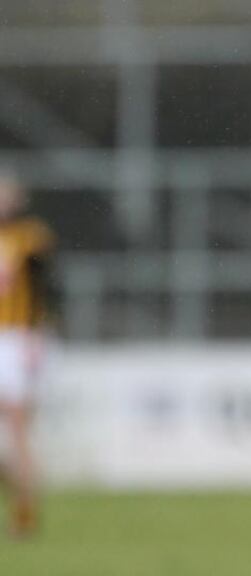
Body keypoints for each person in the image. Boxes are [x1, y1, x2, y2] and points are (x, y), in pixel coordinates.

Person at [0, 174, 54, 539]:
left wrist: (36, 335)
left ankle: (25, 511)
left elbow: (44, 287)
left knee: (18, 426)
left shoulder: (31, 236)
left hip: (16, 338)